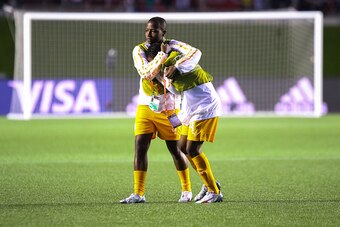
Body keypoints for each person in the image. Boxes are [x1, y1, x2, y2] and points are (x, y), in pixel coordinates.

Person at [120, 17, 194, 204]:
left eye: (154, 31)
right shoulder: (139, 50)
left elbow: (193, 53)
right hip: (146, 106)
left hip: (169, 110)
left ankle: (187, 190)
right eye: (147, 30)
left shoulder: (173, 48)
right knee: (140, 148)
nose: (149, 34)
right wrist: (161, 58)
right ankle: (138, 193)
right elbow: (145, 72)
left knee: (176, 150)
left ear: (163, 33)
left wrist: (176, 65)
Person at [145, 40, 223, 203]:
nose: (152, 65)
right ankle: (208, 183)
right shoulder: (165, 70)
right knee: (182, 147)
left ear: (159, 56)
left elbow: (196, 53)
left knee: (192, 149)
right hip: (190, 107)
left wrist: (176, 66)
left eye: (152, 60)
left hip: (205, 105)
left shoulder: (178, 59)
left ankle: (214, 192)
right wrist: (162, 79)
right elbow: (176, 90)